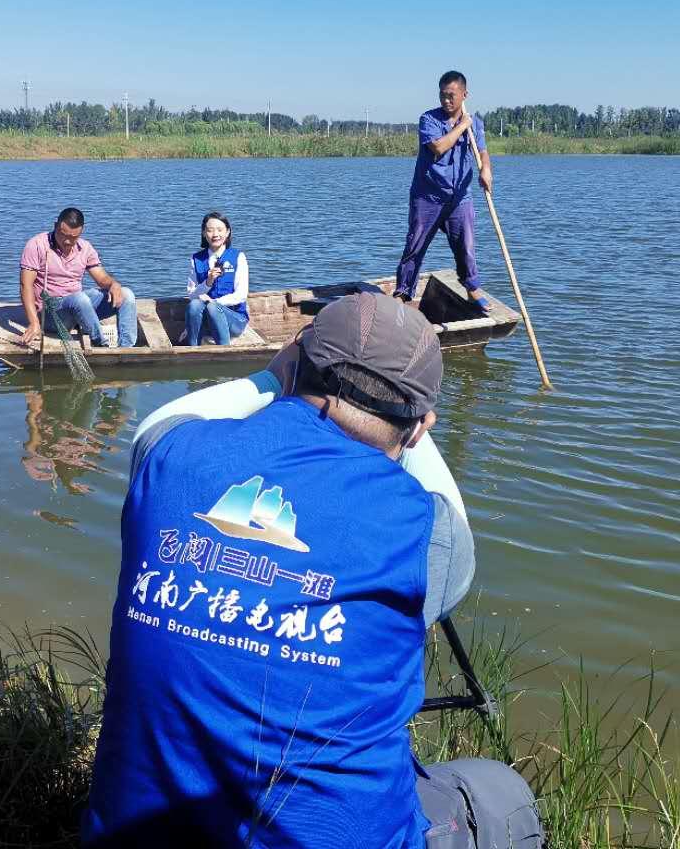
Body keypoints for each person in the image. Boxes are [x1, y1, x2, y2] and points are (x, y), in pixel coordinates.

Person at [81, 292, 544, 848]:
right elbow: (455, 526)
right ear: (421, 426)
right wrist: (414, 429)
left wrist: (272, 379)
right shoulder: (428, 534)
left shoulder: (166, 457)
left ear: (294, 362)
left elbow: (165, 418)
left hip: (129, 837)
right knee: (501, 791)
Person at [395, 70, 494, 309]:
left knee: (466, 245)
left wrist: (486, 169)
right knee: (415, 244)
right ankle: (404, 292)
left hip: (459, 196)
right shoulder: (429, 120)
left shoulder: (475, 124)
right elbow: (439, 147)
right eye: (442, 95)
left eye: (451, 95)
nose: (446, 100)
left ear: (464, 94)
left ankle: (472, 287)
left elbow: (481, 151)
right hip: (428, 195)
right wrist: (462, 126)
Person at [19, 207, 137, 348]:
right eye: (63, 235)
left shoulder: (85, 248)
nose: (67, 241)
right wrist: (34, 323)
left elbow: (101, 278)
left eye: (73, 238)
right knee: (79, 299)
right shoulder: (37, 245)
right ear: (56, 226)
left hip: (78, 307)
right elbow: (25, 285)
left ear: (81, 232)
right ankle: (102, 345)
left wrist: (114, 284)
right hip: (51, 313)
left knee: (126, 294)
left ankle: (126, 348)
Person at [185, 211, 251, 346]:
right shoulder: (196, 259)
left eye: (220, 230)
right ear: (204, 233)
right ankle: (192, 349)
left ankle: (224, 350)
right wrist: (207, 283)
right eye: (210, 230)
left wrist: (213, 302)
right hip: (206, 319)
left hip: (234, 319)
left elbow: (241, 295)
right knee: (194, 305)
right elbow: (192, 294)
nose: (215, 234)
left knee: (214, 308)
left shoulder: (238, 257)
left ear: (227, 232)